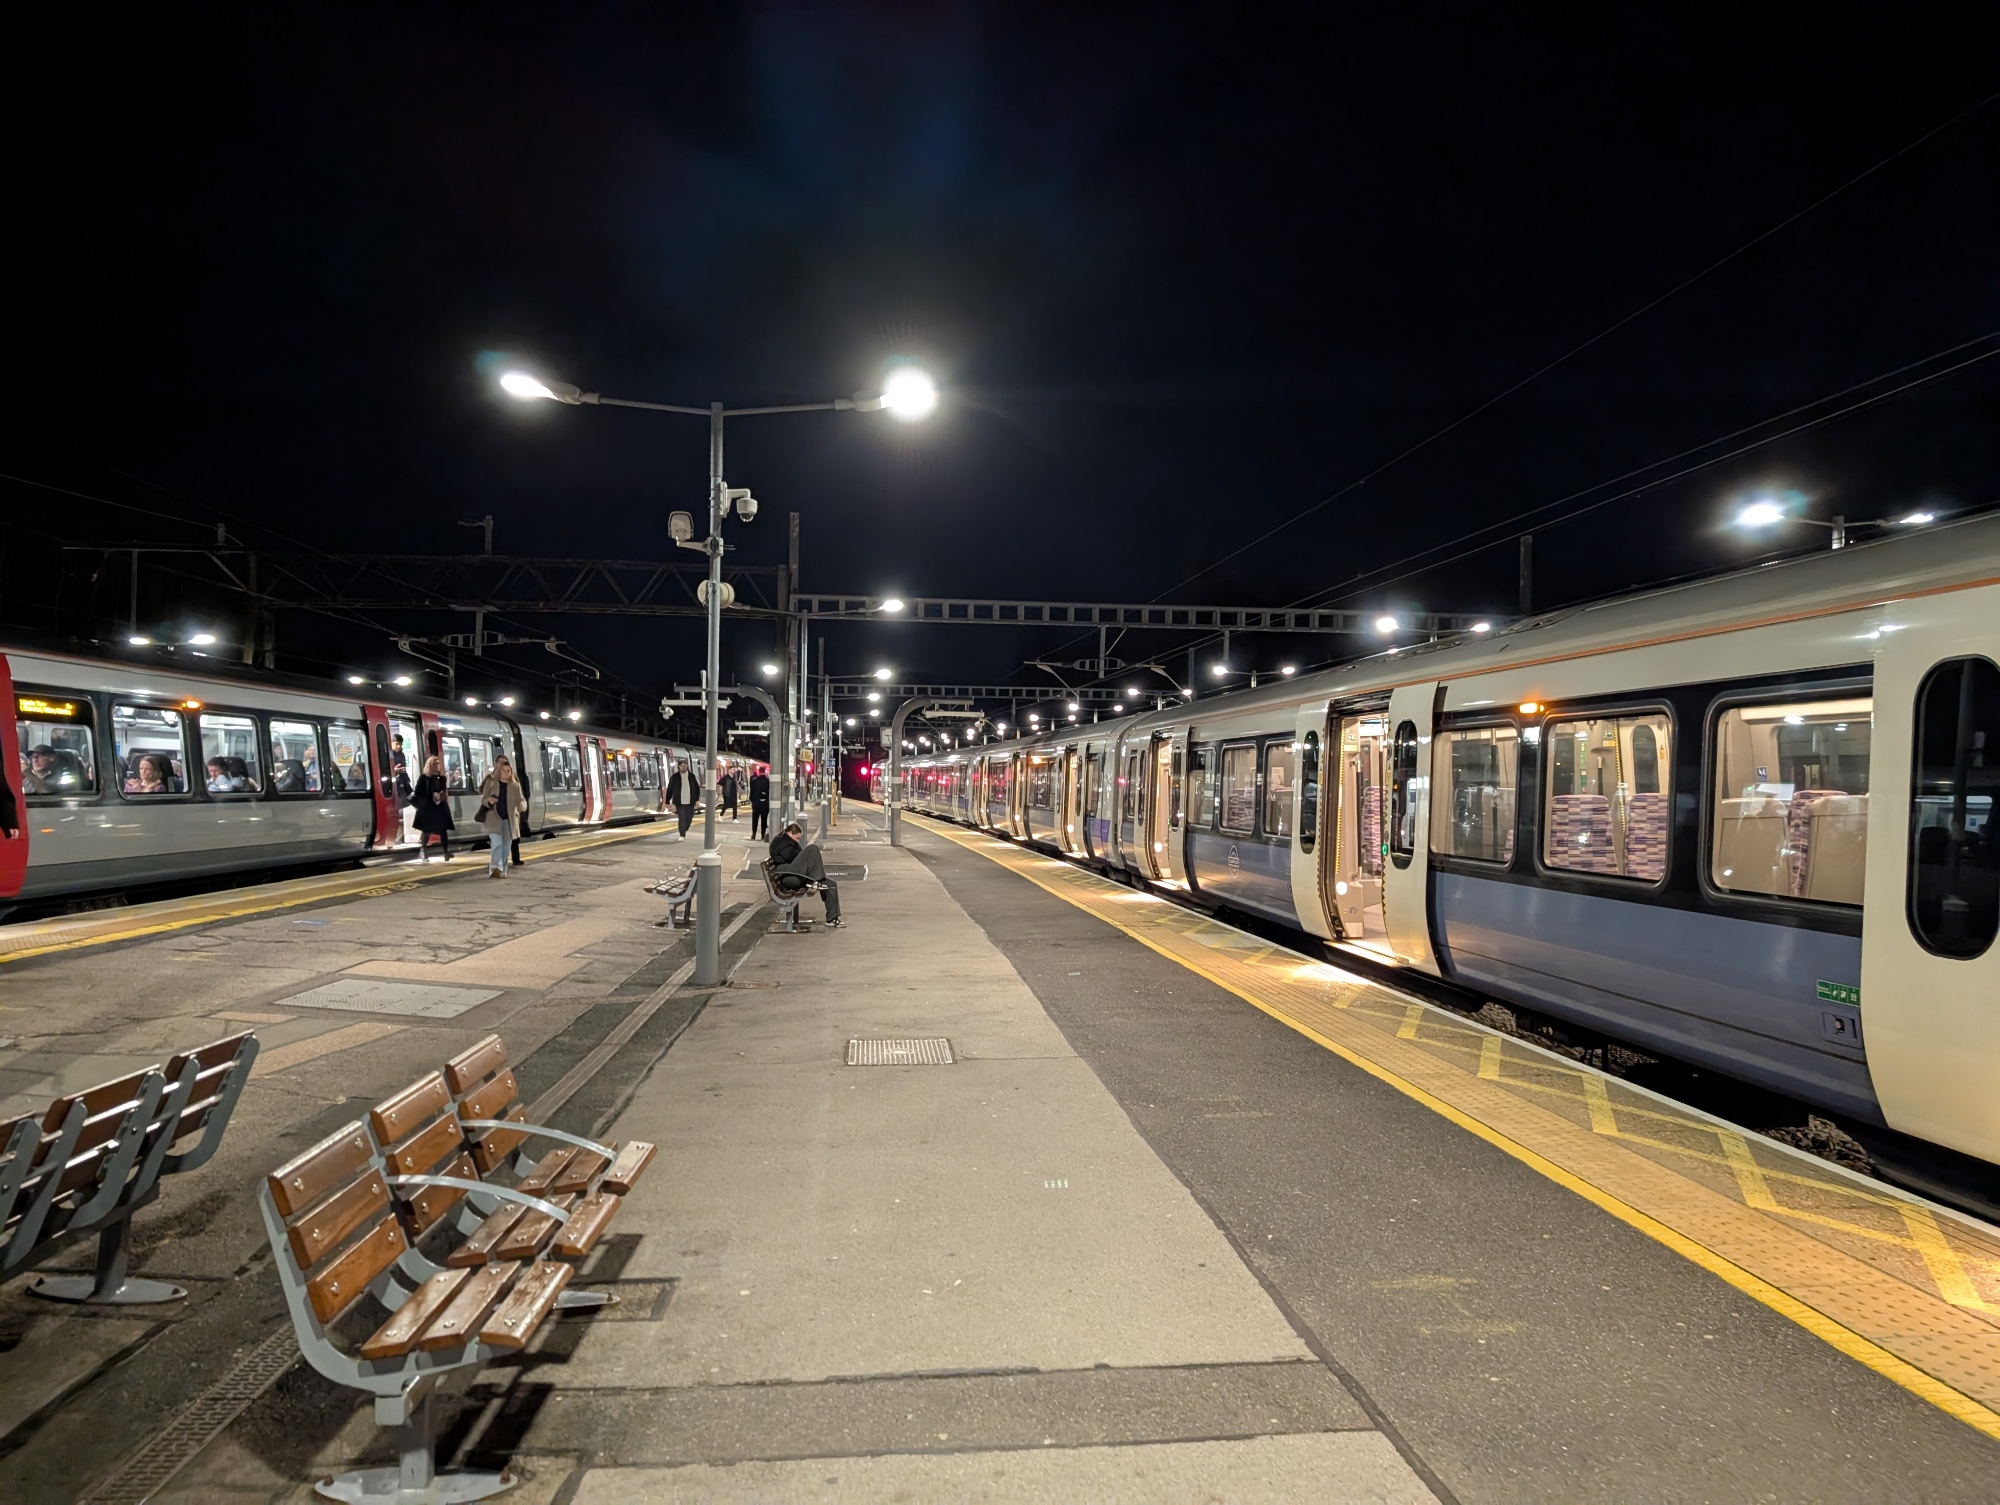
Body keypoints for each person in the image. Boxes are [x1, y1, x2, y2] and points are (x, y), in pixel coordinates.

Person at [770, 820, 841, 928]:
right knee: (812, 848)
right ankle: (816, 880)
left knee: (830, 884)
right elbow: (789, 857)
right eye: (797, 838)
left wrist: (802, 857)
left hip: (795, 873)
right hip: (788, 876)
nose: (798, 841)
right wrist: (802, 856)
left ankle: (832, 918)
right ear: (790, 834)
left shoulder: (790, 843)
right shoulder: (781, 842)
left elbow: (798, 858)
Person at [475, 756, 527, 879]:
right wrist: (489, 801)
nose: (506, 773)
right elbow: (483, 800)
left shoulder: (515, 785)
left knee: (506, 847)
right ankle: (495, 868)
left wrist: (522, 805)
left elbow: (521, 800)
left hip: (509, 820)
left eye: (508, 770)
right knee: (496, 843)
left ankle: (503, 869)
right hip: (493, 819)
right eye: (504, 770)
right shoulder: (491, 782)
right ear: (499, 771)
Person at [411, 754, 455, 860]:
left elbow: (443, 791)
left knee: (443, 830)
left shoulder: (441, 778)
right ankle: (423, 851)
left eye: (438, 764)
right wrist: (431, 795)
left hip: (439, 808)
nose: (437, 766)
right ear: (430, 766)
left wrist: (441, 795)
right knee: (426, 831)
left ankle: (446, 852)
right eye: (435, 764)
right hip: (428, 808)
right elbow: (417, 792)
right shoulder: (424, 778)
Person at [665, 757, 701, 839]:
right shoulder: (675, 777)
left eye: (685, 766)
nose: (683, 767)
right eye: (682, 766)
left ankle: (684, 829)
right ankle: (682, 834)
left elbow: (697, 788)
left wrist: (697, 799)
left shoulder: (691, 776)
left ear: (687, 766)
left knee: (689, 818)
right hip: (679, 802)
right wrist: (667, 801)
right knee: (682, 818)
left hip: (690, 801)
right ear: (678, 767)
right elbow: (670, 789)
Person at [510, 764, 532, 867]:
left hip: (514, 814)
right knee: (510, 840)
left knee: (514, 839)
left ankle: (515, 859)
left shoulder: (515, 784)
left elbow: (521, 801)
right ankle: (513, 859)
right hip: (508, 816)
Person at [749, 765, 772, 840]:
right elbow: (769, 792)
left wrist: (752, 801)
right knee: (764, 820)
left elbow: (751, 793)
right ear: (765, 772)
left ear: (758, 772)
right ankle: (762, 834)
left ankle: (754, 834)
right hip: (764, 804)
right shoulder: (767, 781)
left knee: (755, 819)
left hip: (756, 804)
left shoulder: (754, 781)